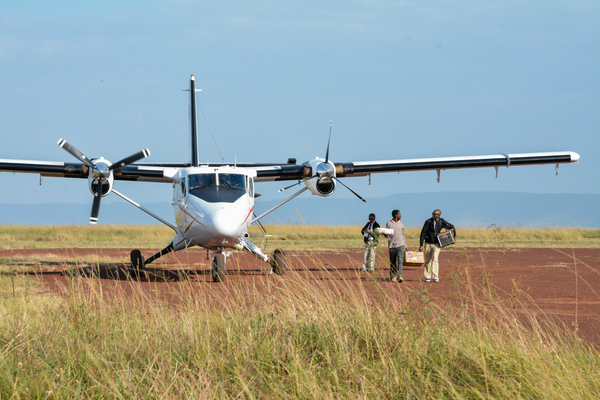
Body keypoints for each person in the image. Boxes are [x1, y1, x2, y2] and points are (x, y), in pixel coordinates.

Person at [419, 209, 456, 283]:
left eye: (435, 214)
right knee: (428, 260)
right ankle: (428, 276)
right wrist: (421, 244)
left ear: (439, 215)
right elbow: (423, 233)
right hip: (428, 243)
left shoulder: (442, 221)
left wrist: (454, 237)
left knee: (435, 259)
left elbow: (452, 227)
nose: (433, 215)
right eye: (433, 214)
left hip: (437, 244)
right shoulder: (428, 221)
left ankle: (435, 277)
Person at [385, 210, 408, 282]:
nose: (400, 216)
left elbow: (403, 235)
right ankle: (393, 276)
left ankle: (400, 276)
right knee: (393, 262)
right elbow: (387, 235)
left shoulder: (401, 224)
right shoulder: (389, 223)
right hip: (392, 245)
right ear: (396, 215)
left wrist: (405, 245)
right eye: (399, 214)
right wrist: (385, 234)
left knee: (400, 261)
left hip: (401, 245)